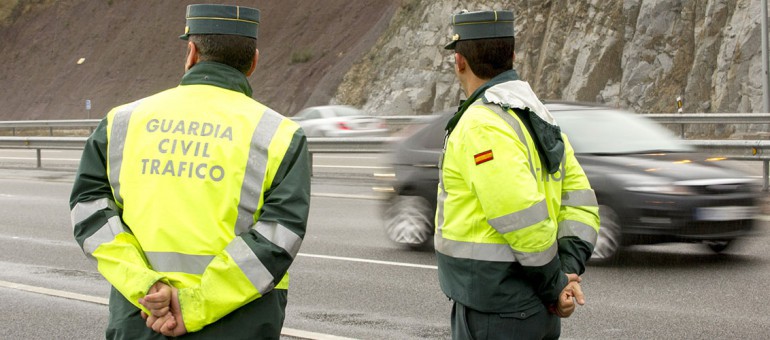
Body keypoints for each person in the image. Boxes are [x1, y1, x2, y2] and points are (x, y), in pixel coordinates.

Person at [69, 4, 311, 339]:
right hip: (239, 326)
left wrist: (147, 286)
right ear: (253, 62)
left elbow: (89, 213)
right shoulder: (280, 136)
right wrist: (194, 305)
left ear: (191, 52)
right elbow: (279, 238)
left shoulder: (121, 122)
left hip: (143, 317)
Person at [435, 10, 601, 340]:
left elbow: (519, 215)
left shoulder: (481, 124)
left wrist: (557, 286)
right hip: (534, 307)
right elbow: (581, 206)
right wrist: (566, 271)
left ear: (459, 61)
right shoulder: (538, 116)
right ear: (512, 56)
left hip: (498, 309)